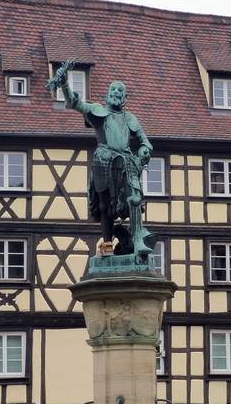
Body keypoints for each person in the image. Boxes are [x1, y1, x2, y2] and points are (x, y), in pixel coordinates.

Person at [51, 64, 156, 260]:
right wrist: (64, 84)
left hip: (126, 161)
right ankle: (107, 243)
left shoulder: (130, 118)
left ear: (125, 98)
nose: (116, 92)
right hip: (104, 159)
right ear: (108, 94)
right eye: (113, 89)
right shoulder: (98, 111)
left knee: (134, 196)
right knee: (105, 205)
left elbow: (145, 141)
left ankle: (138, 237)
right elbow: (75, 103)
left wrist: (144, 149)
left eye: (120, 90)